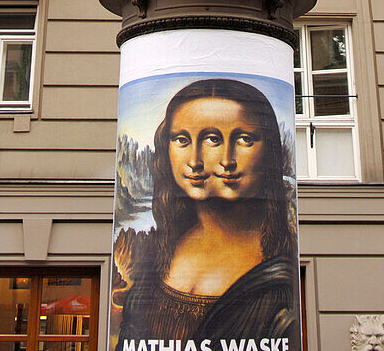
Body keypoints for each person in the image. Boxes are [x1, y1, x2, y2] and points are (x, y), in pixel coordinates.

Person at [114, 78, 301, 350]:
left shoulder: (277, 269)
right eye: (182, 139)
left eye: (243, 139)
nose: (225, 160)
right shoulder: (157, 252)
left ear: (269, 149)